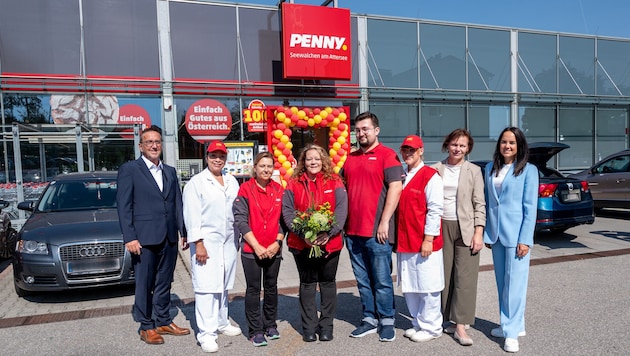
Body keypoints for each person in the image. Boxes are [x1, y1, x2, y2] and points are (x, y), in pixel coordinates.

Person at [116, 126, 190, 345]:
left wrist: (183, 231)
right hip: (144, 238)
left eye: (157, 142)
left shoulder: (169, 171)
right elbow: (124, 206)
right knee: (144, 282)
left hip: (168, 237)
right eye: (149, 142)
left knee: (164, 282)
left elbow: (177, 203)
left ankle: (163, 320)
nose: (154, 146)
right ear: (141, 146)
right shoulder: (130, 170)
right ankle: (146, 325)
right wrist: (129, 237)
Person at [341, 112, 404, 342]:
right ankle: (369, 318)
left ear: (376, 130)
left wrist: (385, 221)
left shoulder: (387, 156)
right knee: (363, 280)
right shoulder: (350, 158)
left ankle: (387, 320)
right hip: (353, 232)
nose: (361, 133)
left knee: (382, 280)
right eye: (357, 130)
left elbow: (396, 189)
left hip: (377, 232)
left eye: (365, 129)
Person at [282, 145, 348, 342]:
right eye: (309, 159)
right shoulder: (294, 182)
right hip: (302, 244)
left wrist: (328, 232)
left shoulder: (335, 181)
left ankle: (326, 326)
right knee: (308, 284)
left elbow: (341, 210)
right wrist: (304, 234)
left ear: (323, 161)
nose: (313, 162)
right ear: (303, 161)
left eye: (317, 159)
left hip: (330, 243)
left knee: (327, 284)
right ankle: (309, 327)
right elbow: (287, 211)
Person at [183, 141, 242, 353]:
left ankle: (221, 321)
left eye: (221, 156)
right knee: (207, 288)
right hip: (206, 242)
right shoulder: (196, 183)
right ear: (206, 158)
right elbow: (191, 216)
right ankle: (206, 333)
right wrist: (198, 243)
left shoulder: (232, 181)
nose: (217, 159)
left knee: (223, 284)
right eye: (213, 155)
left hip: (228, 241)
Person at [484, 127, 538, 353]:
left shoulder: (528, 170)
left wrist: (525, 239)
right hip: (495, 234)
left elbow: (530, 207)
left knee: (515, 285)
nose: (507, 146)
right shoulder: (490, 167)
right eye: (504, 142)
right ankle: (513, 324)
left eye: (512, 143)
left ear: (519, 146)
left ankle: (512, 332)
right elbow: (489, 202)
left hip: (517, 236)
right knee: (502, 284)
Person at [432, 129, 486, 346]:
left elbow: (479, 203)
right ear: (447, 145)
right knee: (444, 275)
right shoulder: (435, 169)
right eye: (454, 144)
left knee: (465, 277)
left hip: (466, 227)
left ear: (468, 148)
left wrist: (479, 231)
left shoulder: (474, 170)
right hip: (441, 226)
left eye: (462, 146)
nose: (458, 149)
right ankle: (445, 318)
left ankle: (461, 325)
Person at [396, 135, 445, 343]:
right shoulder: (401, 175)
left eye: (412, 150)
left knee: (428, 285)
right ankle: (418, 322)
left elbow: (435, 209)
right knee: (410, 284)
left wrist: (428, 238)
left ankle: (432, 327)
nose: (408, 154)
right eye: (405, 150)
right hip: (404, 239)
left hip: (423, 239)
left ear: (421, 151)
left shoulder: (430, 176)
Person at [233, 152, 285, 347]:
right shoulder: (245, 189)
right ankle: (255, 330)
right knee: (254, 290)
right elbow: (241, 220)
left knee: (271, 288)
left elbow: (284, 221)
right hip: (251, 250)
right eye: (262, 166)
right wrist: (256, 246)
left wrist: (277, 243)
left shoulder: (280, 190)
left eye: (269, 166)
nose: (266, 169)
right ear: (254, 168)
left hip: (273, 250)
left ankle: (270, 325)